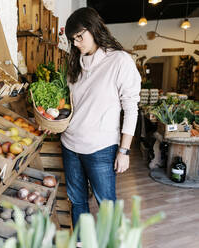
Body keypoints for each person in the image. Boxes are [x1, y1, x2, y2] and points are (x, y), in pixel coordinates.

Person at [60, 7, 141, 227]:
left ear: (94, 28)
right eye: (72, 39)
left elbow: (131, 108)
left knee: (107, 206)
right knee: (77, 202)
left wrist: (124, 151)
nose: (76, 43)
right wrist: (56, 123)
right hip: (70, 144)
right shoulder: (75, 64)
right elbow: (74, 106)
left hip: (100, 148)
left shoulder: (119, 61)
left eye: (79, 36)